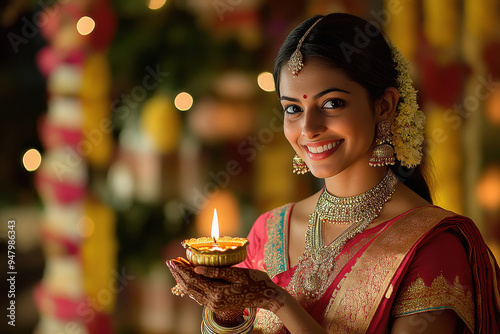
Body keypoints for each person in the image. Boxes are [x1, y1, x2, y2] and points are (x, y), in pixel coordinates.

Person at [166, 13, 500, 333]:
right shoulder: (268, 231)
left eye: (332, 103)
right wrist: (225, 313)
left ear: (384, 105)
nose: (308, 129)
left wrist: (275, 299)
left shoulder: (432, 245)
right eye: (293, 109)